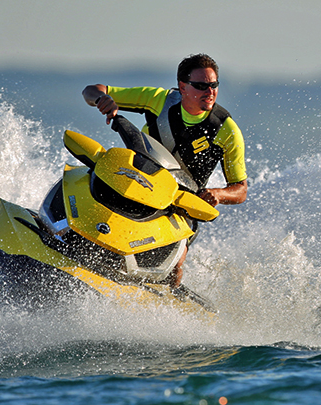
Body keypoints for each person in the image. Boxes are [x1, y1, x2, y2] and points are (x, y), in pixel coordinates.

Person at [83, 54, 247, 288]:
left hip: (180, 201)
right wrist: (102, 99)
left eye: (213, 85)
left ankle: (167, 303)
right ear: (182, 86)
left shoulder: (226, 131)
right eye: (201, 86)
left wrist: (219, 194)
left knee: (176, 265)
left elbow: (241, 190)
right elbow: (91, 90)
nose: (209, 92)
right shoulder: (158, 100)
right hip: (137, 179)